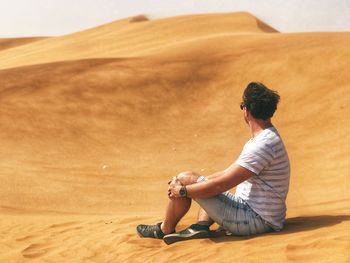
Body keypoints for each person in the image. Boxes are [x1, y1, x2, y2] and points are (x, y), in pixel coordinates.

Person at [136, 82, 290, 244]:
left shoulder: (262, 145)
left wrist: (182, 190)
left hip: (256, 220)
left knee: (185, 178)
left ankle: (164, 230)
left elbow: (220, 185)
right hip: (259, 215)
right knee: (197, 181)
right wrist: (198, 183)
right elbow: (226, 173)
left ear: (246, 111)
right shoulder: (265, 138)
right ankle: (201, 227)